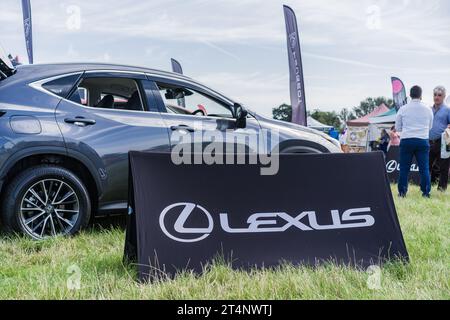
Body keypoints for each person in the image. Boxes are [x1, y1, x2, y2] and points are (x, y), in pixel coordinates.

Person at [395, 86, 434, 198]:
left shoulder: (403, 109)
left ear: (410, 95)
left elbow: (398, 127)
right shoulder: (428, 109)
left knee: (404, 169)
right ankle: (426, 192)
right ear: (420, 95)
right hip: (422, 140)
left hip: (407, 140)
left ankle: (402, 193)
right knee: (424, 168)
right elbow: (430, 127)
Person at [429, 86, 450, 192]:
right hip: (428, 141)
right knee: (426, 166)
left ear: (444, 97)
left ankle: (441, 189)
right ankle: (425, 187)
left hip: (442, 141)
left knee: (444, 167)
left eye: (439, 95)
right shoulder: (429, 109)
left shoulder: (447, 110)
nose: (436, 97)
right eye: (435, 95)